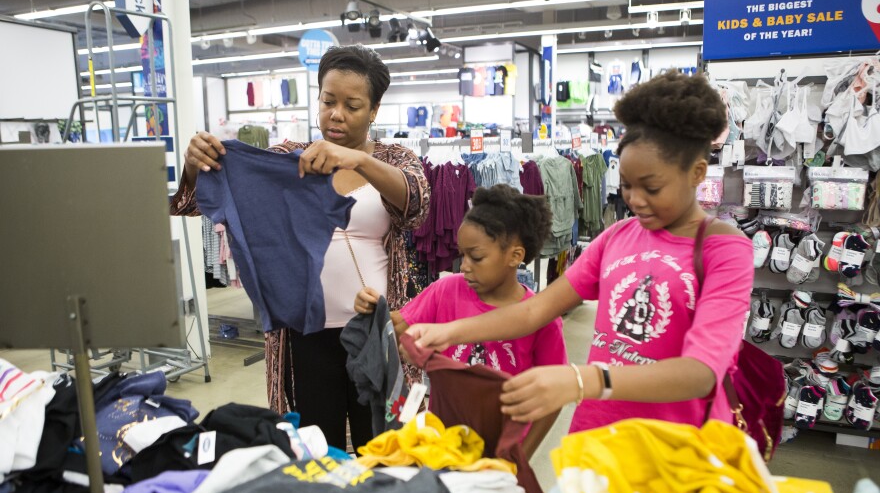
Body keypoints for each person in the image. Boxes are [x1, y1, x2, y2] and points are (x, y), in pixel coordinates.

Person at [407, 71, 754, 433]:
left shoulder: (724, 250)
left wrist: (580, 380)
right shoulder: (618, 236)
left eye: (651, 187)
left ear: (698, 173)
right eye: (627, 186)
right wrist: (449, 333)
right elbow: (535, 310)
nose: (634, 200)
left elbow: (700, 374)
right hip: (598, 434)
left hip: (677, 447)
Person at [170, 45, 430, 450]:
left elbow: (416, 203)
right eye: (328, 101)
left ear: (374, 110)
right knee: (315, 446)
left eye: (352, 105)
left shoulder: (394, 159)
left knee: (382, 443)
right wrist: (194, 163)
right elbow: (190, 203)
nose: (336, 114)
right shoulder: (287, 161)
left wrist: (355, 160)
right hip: (304, 333)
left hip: (379, 328)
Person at [355, 184, 567, 448]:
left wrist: (521, 454)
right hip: (443, 443)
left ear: (515, 256)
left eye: (476, 257)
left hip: (501, 446)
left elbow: (554, 396)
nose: (464, 266)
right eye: (462, 255)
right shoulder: (446, 290)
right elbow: (394, 326)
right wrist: (373, 308)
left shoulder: (542, 319)